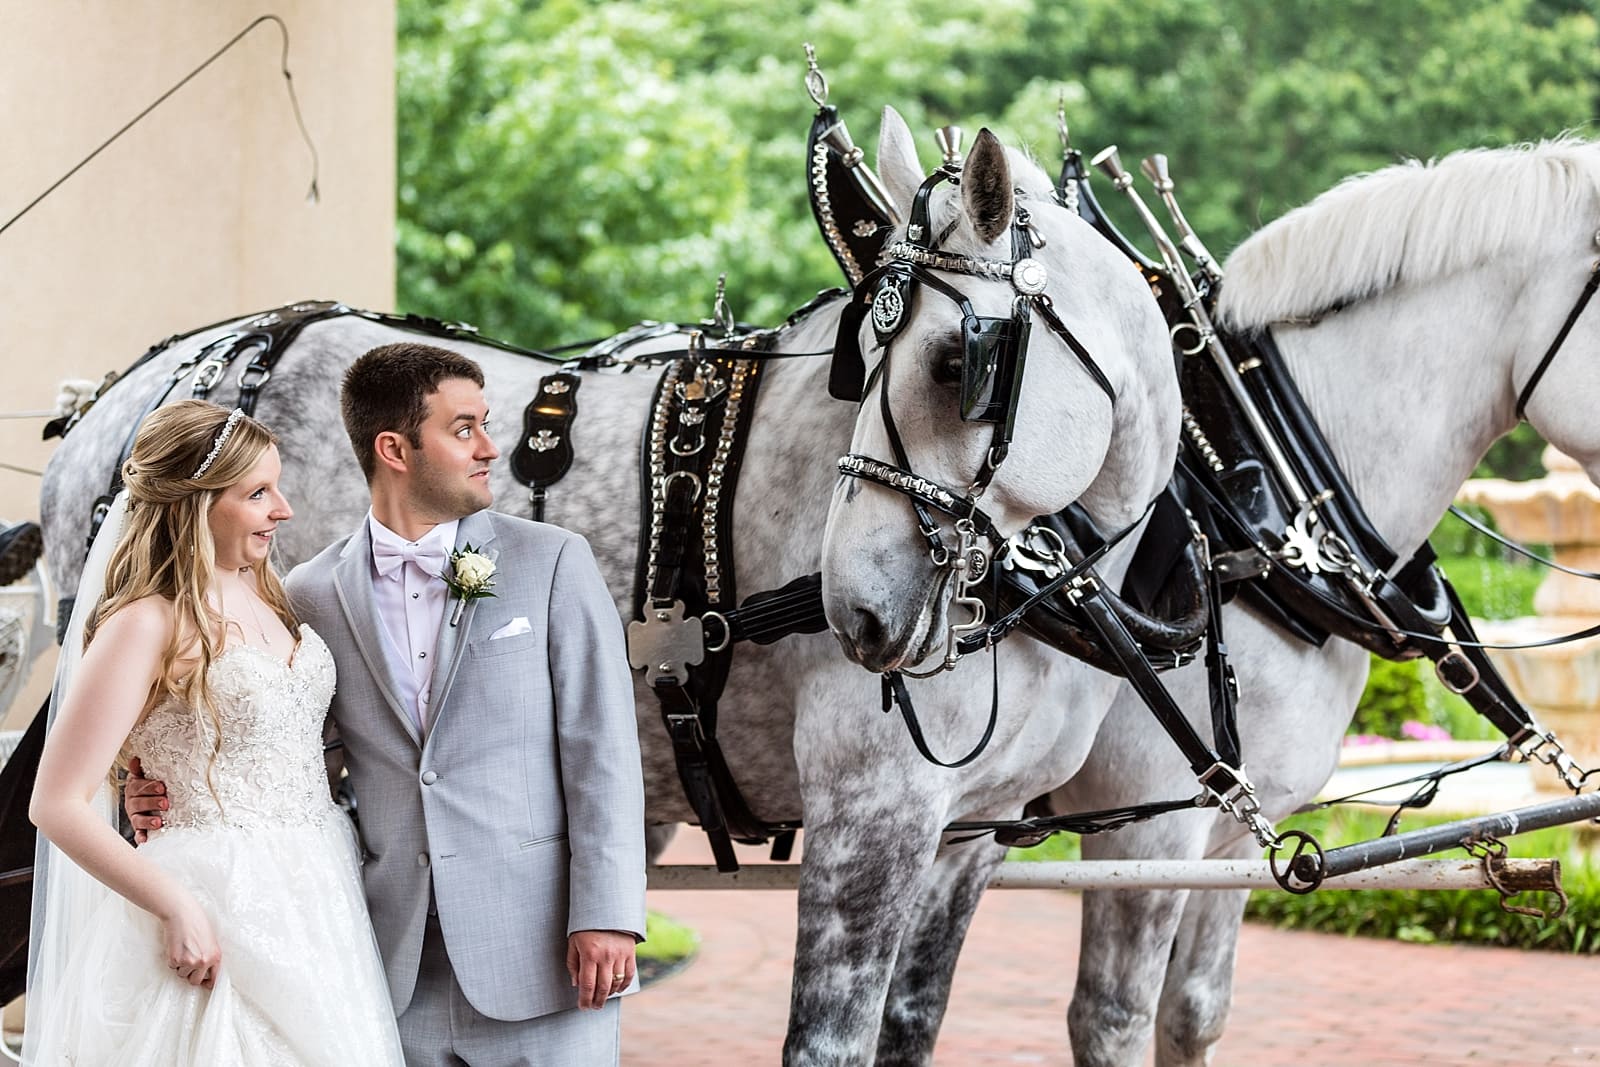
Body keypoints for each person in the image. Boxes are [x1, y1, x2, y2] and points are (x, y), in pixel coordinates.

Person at [129, 343, 647, 1064]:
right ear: (394, 447)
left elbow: (605, 751)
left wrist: (609, 913)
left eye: (485, 424)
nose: (491, 448)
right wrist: (152, 780)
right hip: (383, 962)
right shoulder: (306, 592)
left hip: (546, 952)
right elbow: (278, 738)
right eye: (463, 428)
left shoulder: (553, 561)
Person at [26, 400, 405, 1065]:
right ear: (194, 502)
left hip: (318, 891)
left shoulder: (276, 598)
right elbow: (55, 802)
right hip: (211, 897)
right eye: (258, 493)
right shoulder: (148, 622)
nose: (283, 509)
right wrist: (176, 905)